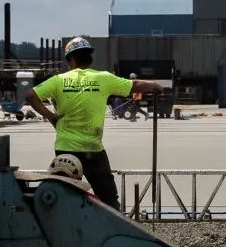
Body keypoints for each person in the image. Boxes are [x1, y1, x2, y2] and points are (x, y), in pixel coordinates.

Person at [26, 37, 168, 205]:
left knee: (64, 198)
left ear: (70, 59)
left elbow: (31, 96)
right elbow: (134, 85)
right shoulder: (104, 78)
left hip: (65, 150)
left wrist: (52, 117)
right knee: (108, 198)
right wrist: (154, 85)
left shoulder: (59, 80)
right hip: (92, 148)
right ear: (90, 58)